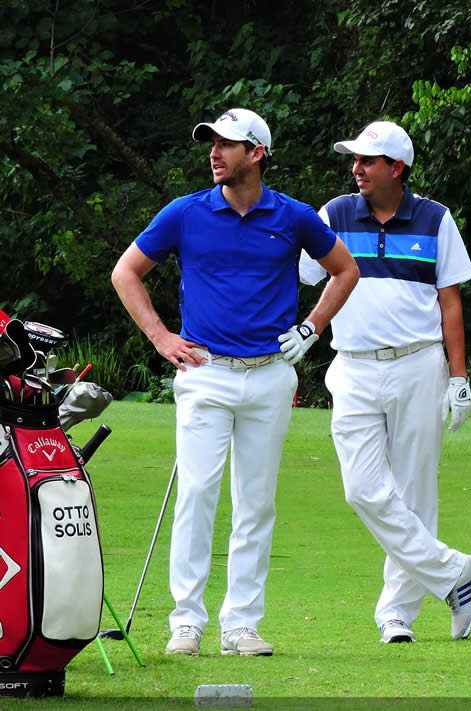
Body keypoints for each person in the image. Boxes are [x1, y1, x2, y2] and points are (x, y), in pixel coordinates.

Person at [111, 108, 359, 657]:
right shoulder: (186, 212)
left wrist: (312, 327)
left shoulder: (293, 216)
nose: (214, 153)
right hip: (204, 374)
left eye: (226, 144)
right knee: (197, 494)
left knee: (256, 503)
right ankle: (186, 621)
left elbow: (346, 270)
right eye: (212, 143)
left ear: (256, 153)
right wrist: (160, 337)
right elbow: (125, 272)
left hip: (269, 376)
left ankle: (241, 623)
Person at [298, 121, 471, 644]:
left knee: (415, 490)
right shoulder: (334, 213)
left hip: (418, 363)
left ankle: (397, 613)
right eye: (354, 160)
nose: (356, 169)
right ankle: (454, 572)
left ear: (397, 168)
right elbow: (305, 273)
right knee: (362, 489)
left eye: (367, 161)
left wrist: (459, 376)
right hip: (353, 365)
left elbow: (450, 302)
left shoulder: (435, 218)